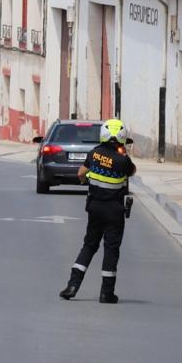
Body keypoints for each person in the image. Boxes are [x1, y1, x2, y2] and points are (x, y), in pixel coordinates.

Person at [59, 119, 136, 304]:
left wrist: (87, 180)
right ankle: (106, 293)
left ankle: (72, 286)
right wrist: (123, 154)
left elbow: (80, 173)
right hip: (114, 211)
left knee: (89, 245)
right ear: (123, 137)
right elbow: (132, 171)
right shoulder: (123, 160)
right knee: (111, 249)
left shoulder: (94, 154)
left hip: (94, 208)